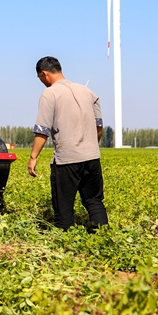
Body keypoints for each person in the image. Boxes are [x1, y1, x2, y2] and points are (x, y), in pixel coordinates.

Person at [27, 56, 108, 231]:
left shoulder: (49, 94)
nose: (42, 82)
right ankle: (102, 236)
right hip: (92, 157)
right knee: (94, 201)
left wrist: (33, 157)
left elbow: (42, 129)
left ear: (44, 74)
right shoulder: (88, 92)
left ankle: (65, 246)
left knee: (63, 208)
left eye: (40, 78)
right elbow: (99, 126)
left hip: (67, 160)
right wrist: (91, 145)